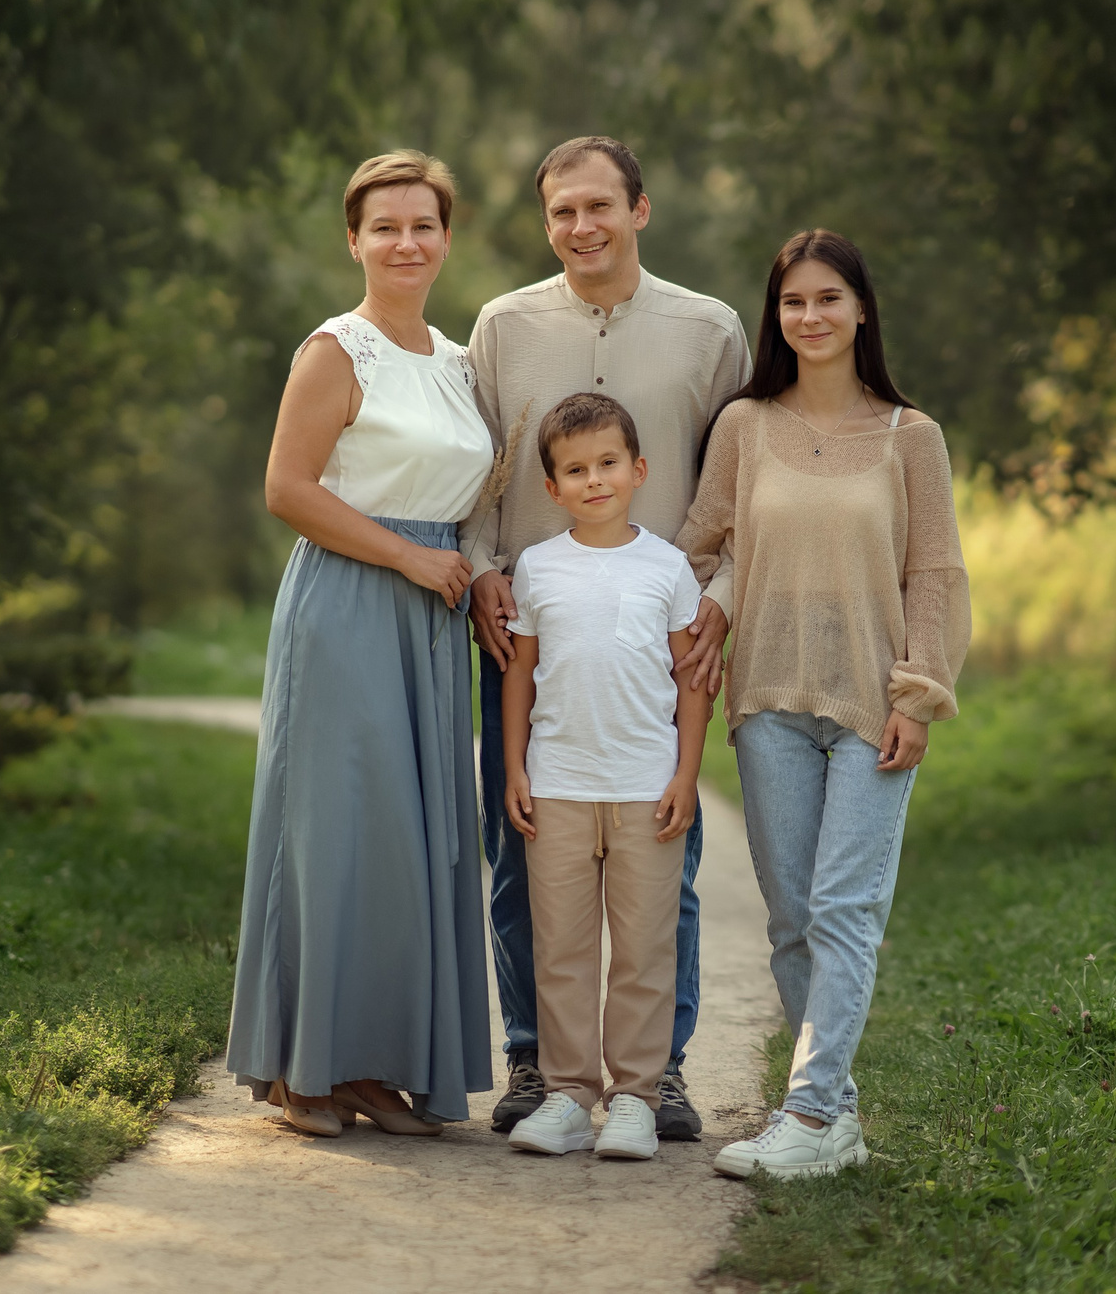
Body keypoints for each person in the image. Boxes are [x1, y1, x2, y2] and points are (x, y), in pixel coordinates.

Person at [460, 136, 751, 1140]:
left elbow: (738, 477)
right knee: (523, 844)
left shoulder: (708, 329)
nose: (580, 227)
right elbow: (477, 467)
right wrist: (481, 565)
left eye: (598, 206)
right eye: (560, 212)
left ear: (640, 208)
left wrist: (722, 589)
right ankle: (538, 1062)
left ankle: (654, 1072)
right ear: (546, 222)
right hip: (527, 623)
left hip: (660, 620)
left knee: (659, 850)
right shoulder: (500, 325)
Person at [678, 228, 971, 1179]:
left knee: (845, 909)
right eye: (794, 302)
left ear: (861, 310)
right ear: (778, 315)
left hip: (872, 703)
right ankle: (833, 1118)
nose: (810, 317)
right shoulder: (744, 426)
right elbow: (704, 550)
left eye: (828, 299)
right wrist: (709, 610)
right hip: (766, 700)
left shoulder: (909, 436)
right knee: (793, 919)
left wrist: (920, 693)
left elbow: (933, 573)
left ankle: (805, 1116)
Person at [224, 151, 494, 1139]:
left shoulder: (462, 360)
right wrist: (406, 560)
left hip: (433, 610)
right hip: (349, 596)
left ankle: (380, 1064)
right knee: (334, 831)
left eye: (423, 224)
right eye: (385, 226)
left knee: (412, 842)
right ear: (353, 239)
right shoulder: (336, 349)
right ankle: (307, 1066)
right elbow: (288, 488)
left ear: (446, 237)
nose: (406, 242)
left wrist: (459, 571)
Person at [498, 393, 710, 1161]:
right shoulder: (537, 568)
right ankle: (565, 1095)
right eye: (576, 470)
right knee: (561, 948)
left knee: (646, 949)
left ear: (639, 471)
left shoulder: (668, 568)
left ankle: (636, 1099)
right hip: (556, 785)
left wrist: (687, 774)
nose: (595, 481)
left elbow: (692, 680)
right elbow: (520, 675)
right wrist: (515, 768)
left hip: (646, 787)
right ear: (551, 489)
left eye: (608, 464)